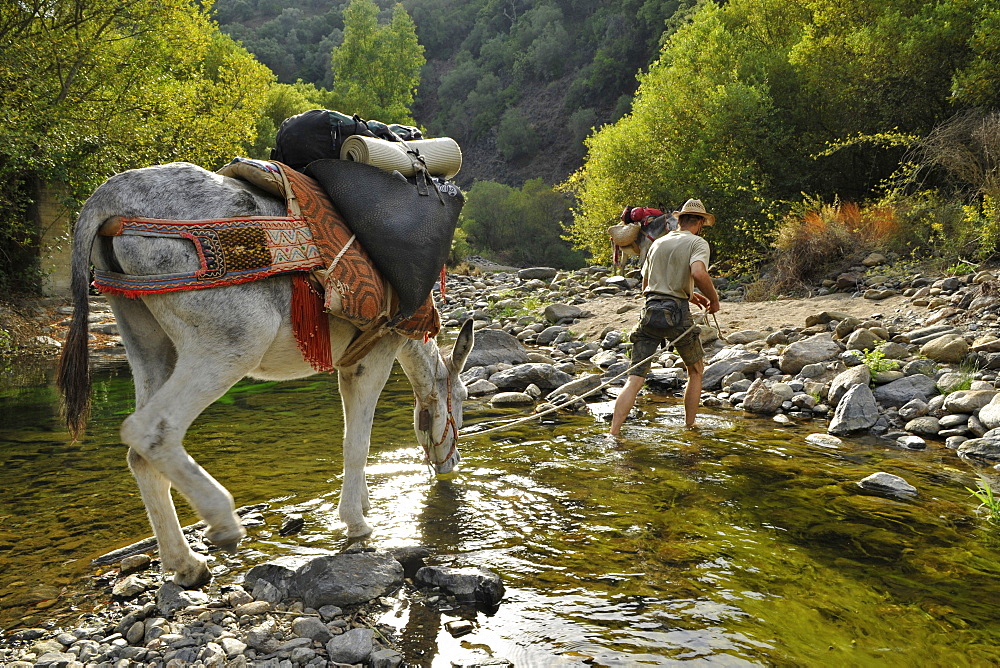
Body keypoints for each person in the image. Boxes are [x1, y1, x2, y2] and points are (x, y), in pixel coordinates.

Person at [610, 198, 721, 434]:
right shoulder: (697, 243)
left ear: (678, 220)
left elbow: (647, 286)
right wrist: (713, 299)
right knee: (696, 370)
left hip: (649, 312)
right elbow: (698, 273)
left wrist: (692, 296)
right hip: (677, 314)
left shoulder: (657, 244)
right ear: (700, 222)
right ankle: (690, 427)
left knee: (635, 377)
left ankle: (614, 434)